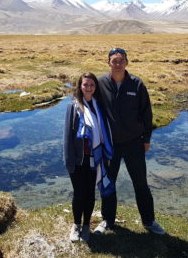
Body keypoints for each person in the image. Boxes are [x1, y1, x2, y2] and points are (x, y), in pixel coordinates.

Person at [94, 48, 166, 235]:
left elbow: (146, 113)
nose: (117, 64)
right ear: (108, 62)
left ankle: (149, 221)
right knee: (108, 183)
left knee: (140, 183)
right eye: (114, 61)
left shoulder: (136, 84)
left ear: (127, 62)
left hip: (134, 143)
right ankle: (108, 220)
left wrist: (146, 139)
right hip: (110, 144)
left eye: (121, 60)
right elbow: (90, 106)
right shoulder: (100, 83)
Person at [63, 72, 114, 242]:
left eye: (91, 85)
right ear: (80, 86)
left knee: (90, 194)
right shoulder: (74, 106)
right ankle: (76, 225)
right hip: (78, 160)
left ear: (95, 87)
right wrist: (69, 161)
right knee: (79, 193)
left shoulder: (98, 106)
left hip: (96, 158)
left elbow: (104, 131)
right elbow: (67, 136)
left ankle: (86, 226)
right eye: (85, 85)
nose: (88, 88)